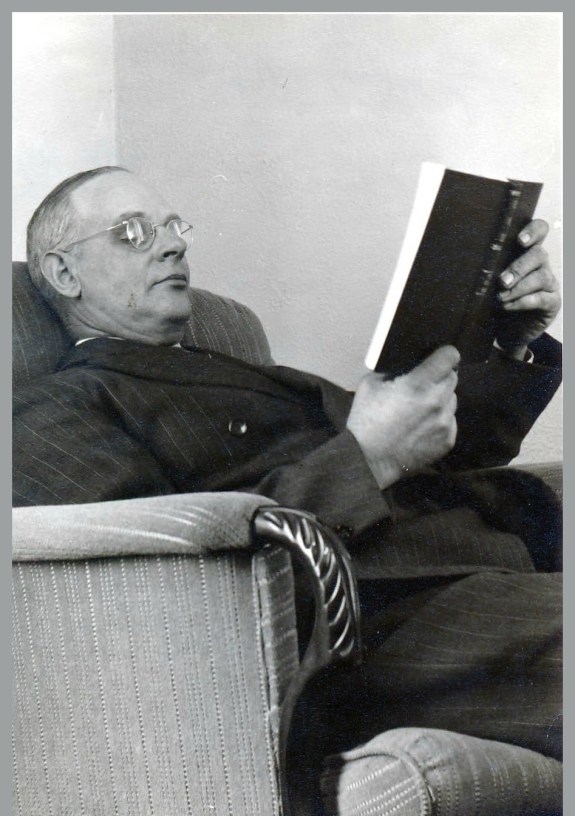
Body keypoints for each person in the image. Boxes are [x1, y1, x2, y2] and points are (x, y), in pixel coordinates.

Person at [13, 166, 563, 759]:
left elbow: (439, 456)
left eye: (172, 226)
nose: (173, 244)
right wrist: (369, 457)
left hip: (499, 556)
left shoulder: (241, 367)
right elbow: (161, 588)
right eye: (132, 232)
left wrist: (510, 342)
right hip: (374, 626)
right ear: (64, 273)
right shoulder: (57, 408)